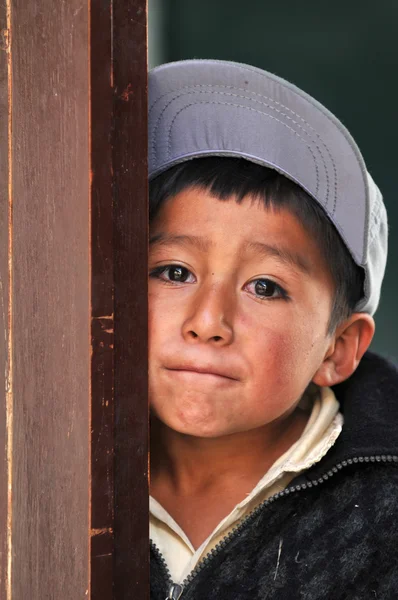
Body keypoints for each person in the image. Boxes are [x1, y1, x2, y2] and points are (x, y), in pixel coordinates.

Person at [148, 59, 398, 600]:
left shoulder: (387, 519)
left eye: (265, 287)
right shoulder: (38, 468)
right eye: (174, 272)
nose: (208, 323)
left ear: (339, 348)